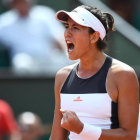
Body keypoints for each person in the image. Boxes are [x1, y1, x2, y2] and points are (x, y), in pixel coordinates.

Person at [49, 5, 139, 140]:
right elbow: (57, 137)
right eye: (67, 26)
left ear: (94, 37)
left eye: (75, 28)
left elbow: (129, 135)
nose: (67, 33)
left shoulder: (122, 74)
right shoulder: (62, 76)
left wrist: (82, 129)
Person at [0, 0, 72, 70]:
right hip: (26, 62)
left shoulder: (44, 14)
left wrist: (67, 53)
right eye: (17, 2)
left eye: (23, 2)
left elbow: (60, 37)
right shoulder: (5, 21)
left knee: (66, 62)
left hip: (48, 58)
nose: (21, 5)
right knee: (21, 64)